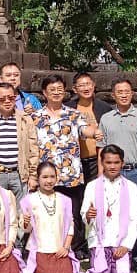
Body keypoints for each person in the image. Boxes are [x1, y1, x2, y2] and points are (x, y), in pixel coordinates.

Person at [33, 74, 94, 252]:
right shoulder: (36, 117)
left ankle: (74, 250)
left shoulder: (74, 114)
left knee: (73, 214)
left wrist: (95, 132)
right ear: (44, 92)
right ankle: (49, 249)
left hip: (71, 175)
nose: (56, 92)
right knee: (49, 214)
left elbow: (85, 130)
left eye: (60, 89)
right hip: (47, 176)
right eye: (52, 89)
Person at [80, 145, 137, 273]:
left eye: (116, 162)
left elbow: (135, 219)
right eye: (108, 162)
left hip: (121, 242)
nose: (112, 166)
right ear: (102, 163)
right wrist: (89, 216)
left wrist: (126, 245)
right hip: (99, 241)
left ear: (122, 163)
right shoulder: (92, 186)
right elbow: (84, 214)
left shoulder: (131, 187)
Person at [17, 161, 79, 273]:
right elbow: (26, 230)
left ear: (57, 178)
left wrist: (65, 248)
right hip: (39, 249)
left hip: (59, 248)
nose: (49, 181)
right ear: (38, 178)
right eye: (44, 177)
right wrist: (26, 221)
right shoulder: (29, 200)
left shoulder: (65, 200)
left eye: (52, 177)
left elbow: (70, 226)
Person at [97, 78, 137, 189]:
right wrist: (100, 172)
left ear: (132, 94)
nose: (124, 95)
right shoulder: (106, 118)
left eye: (127, 92)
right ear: (113, 95)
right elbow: (101, 147)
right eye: (120, 92)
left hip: (136, 171)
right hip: (112, 171)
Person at [65, 71, 111, 182]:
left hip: (98, 161)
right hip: (75, 161)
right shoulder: (68, 109)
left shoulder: (104, 108)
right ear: (75, 89)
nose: (86, 88)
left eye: (88, 84)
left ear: (93, 85)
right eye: (81, 85)